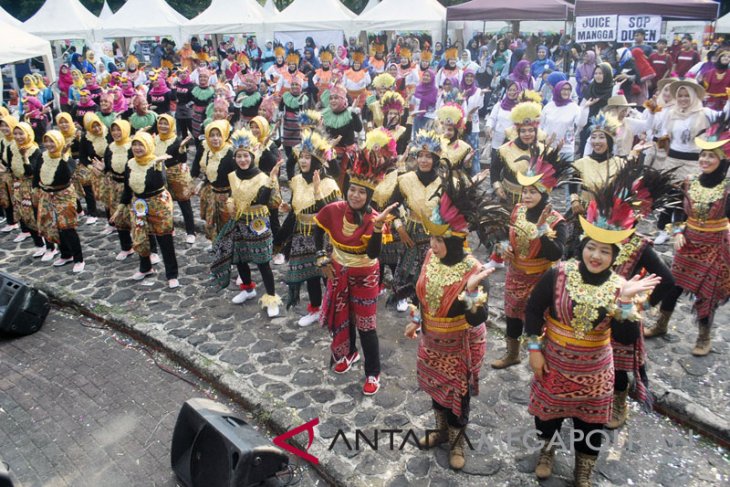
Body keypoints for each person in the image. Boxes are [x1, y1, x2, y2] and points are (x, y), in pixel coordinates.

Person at [525, 180, 661, 486]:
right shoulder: (558, 274)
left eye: (604, 251)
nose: (596, 256)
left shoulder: (618, 288)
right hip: (553, 361)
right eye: (591, 247)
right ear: (582, 246)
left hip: (595, 369)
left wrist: (626, 302)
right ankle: (547, 451)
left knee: (591, 423)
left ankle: (583, 469)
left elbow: (625, 339)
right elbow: (533, 310)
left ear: (614, 256)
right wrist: (534, 349)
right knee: (548, 414)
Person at [404, 167, 506, 470]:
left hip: (459, 346)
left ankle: (458, 443)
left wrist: (473, 293)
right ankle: (440, 432)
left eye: (438, 240)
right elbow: (418, 291)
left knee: (458, 400)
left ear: (456, 239)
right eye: (432, 239)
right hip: (431, 341)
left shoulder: (474, 271)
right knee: (436, 392)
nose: (433, 246)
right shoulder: (430, 257)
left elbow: (479, 318)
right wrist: (415, 318)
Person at [313, 146, 399, 396]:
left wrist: (378, 227)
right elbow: (318, 227)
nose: (356, 195)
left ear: (369, 195)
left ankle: (373, 372)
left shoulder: (375, 218)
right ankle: (348, 352)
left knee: (366, 324)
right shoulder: (335, 209)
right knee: (343, 315)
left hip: (365, 275)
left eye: (362, 192)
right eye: (352, 189)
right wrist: (320, 255)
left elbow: (373, 254)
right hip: (338, 271)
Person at [649, 126, 730, 355]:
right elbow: (676, 210)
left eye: (711, 155)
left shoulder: (727, 188)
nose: (705, 159)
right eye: (703, 155)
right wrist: (677, 233)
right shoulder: (689, 181)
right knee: (674, 285)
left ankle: (704, 337)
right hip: (688, 242)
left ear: (722, 160)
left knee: (708, 293)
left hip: (716, 246)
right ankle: (660, 324)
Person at [492, 147, 569, 369]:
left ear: (544, 194)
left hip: (541, 278)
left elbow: (557, 253)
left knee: (540, 319)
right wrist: (504, 248)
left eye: (532, 192)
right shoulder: (517, 210)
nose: (526, 196)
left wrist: (542, 228)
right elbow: (505, 236)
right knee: (512, 316)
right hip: (515, 273)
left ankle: (545, 357)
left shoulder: (557, 221)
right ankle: (512, 354)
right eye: (524, 191)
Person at [210, 129, 284, 317]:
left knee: (263, 262)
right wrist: (229, 202)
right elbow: (233, 195)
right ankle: (248, 288)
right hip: (239, 221)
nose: (242, 160)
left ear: (252, 157)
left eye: (246, 156)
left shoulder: (262, 177)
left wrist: (272, 180)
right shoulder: (233, 176)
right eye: (239, 156)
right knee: (240, 258)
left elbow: (264, 200)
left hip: (258, 222)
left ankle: (271, 297)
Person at [278, 129, 341, 325]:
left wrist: (316, 191)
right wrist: (289, 207)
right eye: (301, 157)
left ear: (317, 161)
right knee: (310, 276)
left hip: (322, 237)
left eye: (308, 157)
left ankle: (335, 310)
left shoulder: (329, 184)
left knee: (327, 275)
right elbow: (296, 207)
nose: (303, 161)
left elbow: (334, 215)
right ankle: (315, 308)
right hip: (301, 234)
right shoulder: (296, 181)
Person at [112, 131, 179, 289]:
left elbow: (160, 182)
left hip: (158, 203)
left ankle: (172, 274)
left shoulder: (157, 162)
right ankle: (145, 267)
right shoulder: (130, 164)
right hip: (139, 203)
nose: (137, 148)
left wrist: (157, 166)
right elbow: (128, 189)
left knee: (164, 239)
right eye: (135, 144)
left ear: (148, 145)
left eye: (141, 144)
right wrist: (120, 208)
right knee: (140, 236)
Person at [34, 130, 84, 272]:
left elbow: (66, 176)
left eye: (53, 141)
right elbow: (37, 173)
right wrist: (35, 189)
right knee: (53, 225)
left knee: (67, 227)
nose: (49, 144)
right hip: (46, 194)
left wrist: (62, 157)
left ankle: (78, 258)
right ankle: (65, 254)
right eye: (47, 141)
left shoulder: (67, 159)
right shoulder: (42, 156)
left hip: (63, 194)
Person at [492, 97, 544, 207]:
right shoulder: (504, 150)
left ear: (536, 132)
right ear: (518, 132)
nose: (527, 134)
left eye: (531, 130)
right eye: (523, 131)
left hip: (535, 201)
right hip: (509, 198)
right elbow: (494, 169)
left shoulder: (543, 149)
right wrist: (497, 186)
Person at [191, 121, 236, 244]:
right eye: (212, 135)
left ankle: (230, 254)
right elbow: (210, 171)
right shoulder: (209, 151)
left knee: (227, 226)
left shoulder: (230, 153)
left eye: (218, 135)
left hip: (227, 196)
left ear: (224, 136)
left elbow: (236, 178)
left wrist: (232, 199)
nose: (215, 138)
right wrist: (202, 183)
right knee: (212, 224)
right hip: (212, 193)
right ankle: (218, 248)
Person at [154, 115, 196, 244]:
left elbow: (182, 160)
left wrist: (182, 148)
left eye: (166, 124)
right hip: (160, 174)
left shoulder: (176, 140)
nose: (163, 126)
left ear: (171, 125)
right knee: (165, 204)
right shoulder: (155, 139)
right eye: (161, 123)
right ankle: (169, 227)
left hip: (176, 175)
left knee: (184, 204)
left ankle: (190, 232)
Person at [321, 85, 363, 191]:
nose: (333, 100)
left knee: (347, 182)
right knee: (332, 179)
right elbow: (324, 134)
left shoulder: (349, 112)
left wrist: (353, 112)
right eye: (331, 98)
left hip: (349, 155)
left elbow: (358, 128)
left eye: (336, 98)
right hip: (333, 154)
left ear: (343, 99)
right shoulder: (327, 114)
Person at [0, 115, 19, 233]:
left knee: (16, 201)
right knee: (5, 198)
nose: (4, 128)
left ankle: (25, 228)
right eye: (2, 126)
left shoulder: (16, 141)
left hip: (15, 175)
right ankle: (11, 222)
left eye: (7, 125)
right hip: (5, 174)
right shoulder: (3, 141)